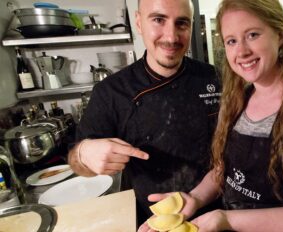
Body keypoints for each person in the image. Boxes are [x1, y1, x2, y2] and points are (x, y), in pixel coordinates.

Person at [140, 0, 283, 231]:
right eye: (231, 41)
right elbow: (223, 171)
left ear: (280, 35)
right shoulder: (237, 101)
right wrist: (194, 198)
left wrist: (226, 219)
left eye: (253, 35)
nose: (242, 51)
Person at [67, 0, 221, 225]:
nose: (171, 37)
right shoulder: (111, 92)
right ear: (139, 23)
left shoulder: (213, 78)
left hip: (215, 210)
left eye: (182, 23)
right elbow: (75, 160)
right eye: (158, 20)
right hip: (155, 218)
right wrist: (84, 153)